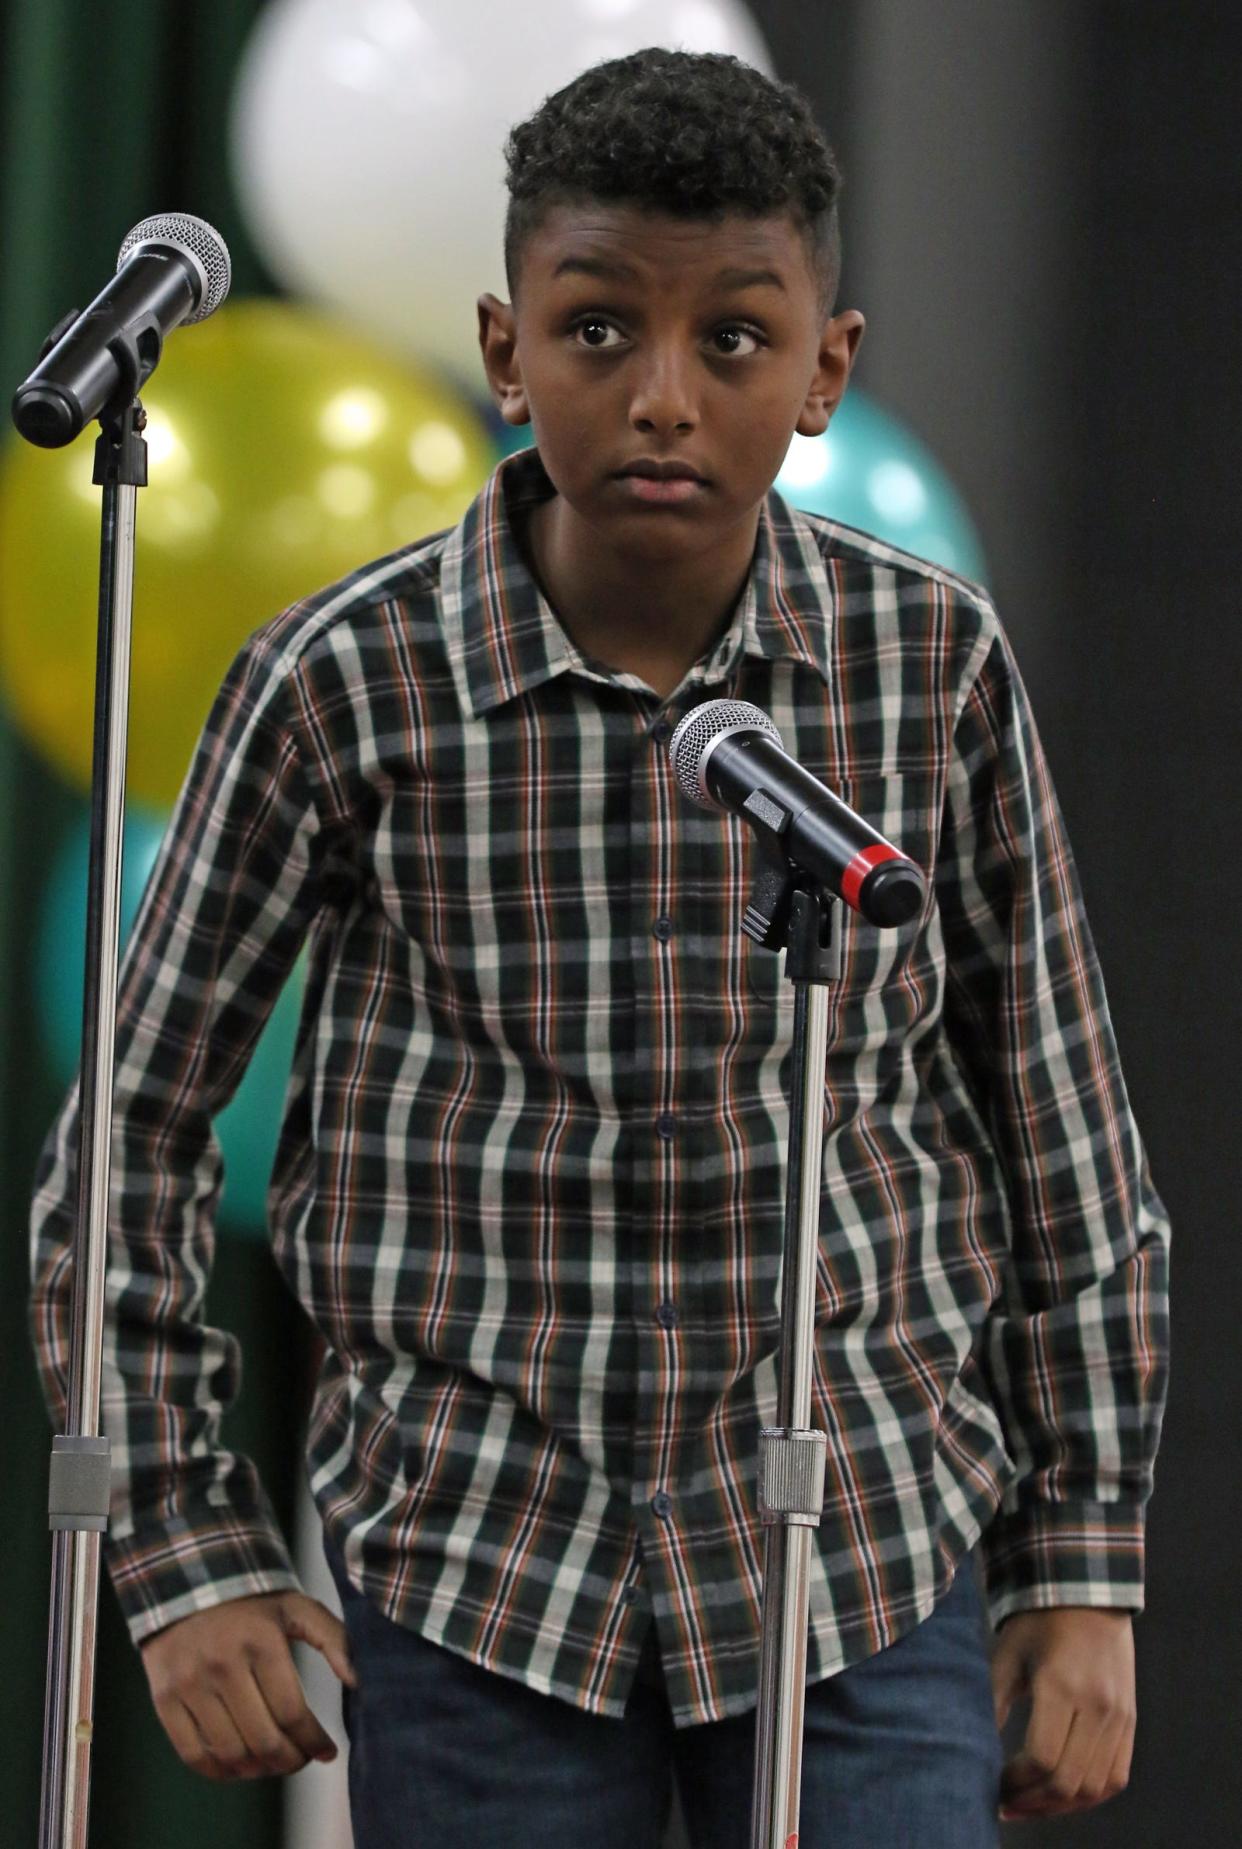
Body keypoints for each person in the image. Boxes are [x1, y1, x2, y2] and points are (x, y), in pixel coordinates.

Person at [28, 46, 1170, 1849]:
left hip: (851, 1547)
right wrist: (182, 1546)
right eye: (593, 332)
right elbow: (135, 1142)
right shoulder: (341, 684)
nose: (659, 398)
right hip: (480, 1566)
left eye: (730, 340)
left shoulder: (922, 664)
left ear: (824, 370)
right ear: (502, 351)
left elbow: (1065, 1146)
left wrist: (1085, 1566)